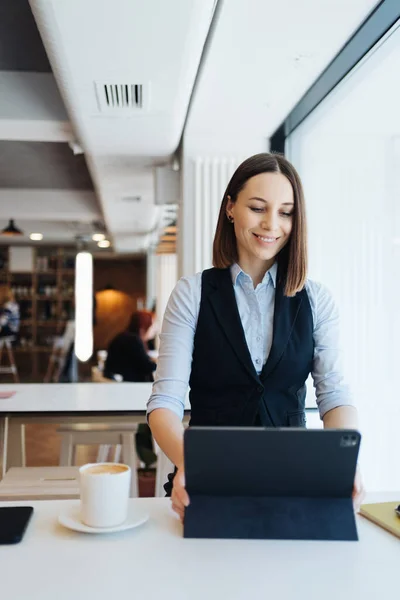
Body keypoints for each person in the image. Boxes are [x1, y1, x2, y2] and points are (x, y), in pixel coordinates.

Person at [147, 152, 365, 522]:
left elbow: (334, 394)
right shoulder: (192, 293)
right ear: (230, 208)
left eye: (285, 212)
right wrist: (191, 463)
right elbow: (165, 402)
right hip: (208, 482)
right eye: (258, 208)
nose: (271, 224)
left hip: (294, 481)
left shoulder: (316, 299)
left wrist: (345, 461)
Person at [104, 310, 157, 382]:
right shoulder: (133, 340)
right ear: (144, 326)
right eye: (152, 325)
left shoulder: (126, 337)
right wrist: (161, 363)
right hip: (127, 386)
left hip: (121, 383)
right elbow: (146, 367)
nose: (155, 329)